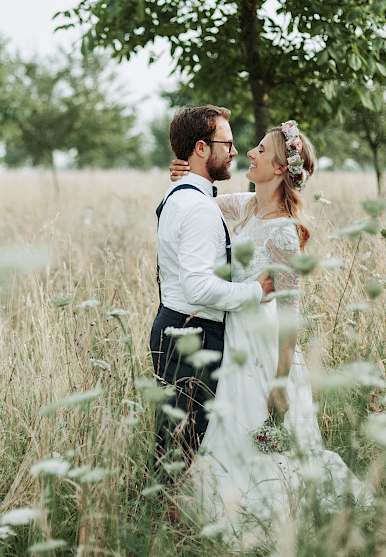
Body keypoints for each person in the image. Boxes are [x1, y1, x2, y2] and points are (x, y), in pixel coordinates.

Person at [169, 121, 369, 545]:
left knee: (263, 436)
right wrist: (185, 175)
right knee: (230, 429)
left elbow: (291, 313)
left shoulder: (284, 233)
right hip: (234, 339)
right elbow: (203, 202)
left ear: (279, 168)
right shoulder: (245, 207)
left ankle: (276, 516)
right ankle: (229, 506)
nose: (250, 153)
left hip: (264, 348)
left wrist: (281, 379)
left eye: (260, 150)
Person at [149, 105, 274, 486]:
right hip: (193, 336)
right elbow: (199, 287)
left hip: (176, 326)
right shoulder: (199, 208)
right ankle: (160, 515)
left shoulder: (180, 195)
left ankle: (166, 510)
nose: (235, 152)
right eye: (227, 144)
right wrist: (256, 291)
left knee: (176, 443)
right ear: (201, 148)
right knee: (179, 450)